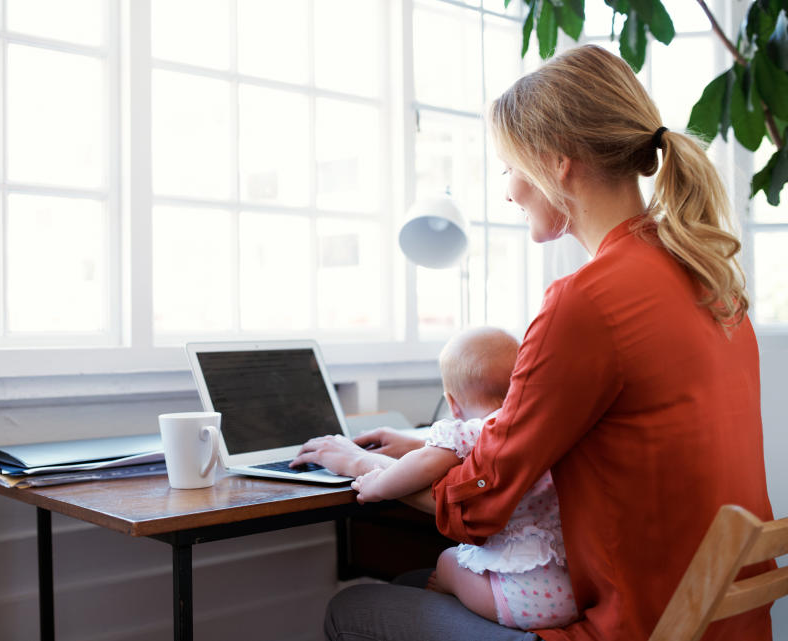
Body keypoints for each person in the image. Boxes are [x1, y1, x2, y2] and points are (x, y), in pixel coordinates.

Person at [295, 44, 774, 641]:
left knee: (357, 607)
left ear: (557, 161)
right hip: (715, 625)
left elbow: (483, 500)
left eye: (510, 168)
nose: (507, 191)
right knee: (418, 577)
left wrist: (366, 466)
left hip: (630, 630)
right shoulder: (709, 280)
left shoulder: (589, 300)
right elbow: (558, 437)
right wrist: (422, 443)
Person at [351, 327, 579, 632]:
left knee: (448, 559)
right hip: (567, 592)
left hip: (517, 601)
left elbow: (423, 464)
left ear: (452, 402)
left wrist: (376, 484)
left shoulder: (476, 430)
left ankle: (449, 582)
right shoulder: (545, 432)